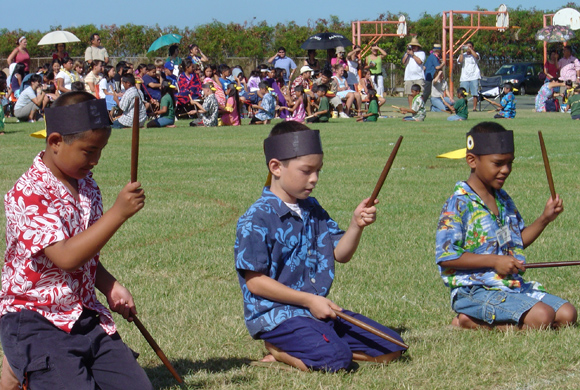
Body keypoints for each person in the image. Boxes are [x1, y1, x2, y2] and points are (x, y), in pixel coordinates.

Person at [1, 91, 153, 389]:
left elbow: (85, 255)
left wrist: (110, 285)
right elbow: (67, 257)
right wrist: (118, 213)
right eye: (88, 151)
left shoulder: (87, 187)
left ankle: (26, 368)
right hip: (35, 318)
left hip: (83, 315)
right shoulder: (28, 192)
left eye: (101, 150)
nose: (95, 160)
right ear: (55, 142)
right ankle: (19, 363)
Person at [234, 122, 407, 372]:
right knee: (337, 361)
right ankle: (279, 350)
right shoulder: (256, 219)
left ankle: (318, 345)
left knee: (392, 348)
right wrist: (308, 300)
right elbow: (255, 282)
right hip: (278, 317)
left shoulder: (312, 208)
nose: (314, 178)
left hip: (316, 311)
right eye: (306, 170)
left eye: (318, 170)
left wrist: (356, 224)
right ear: (276, 167)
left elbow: (340, 254)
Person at [435, 122, 577, 330]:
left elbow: (516, 242)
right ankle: (468, 321)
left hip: (509, 286)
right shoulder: (458, 204)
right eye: (498, 163)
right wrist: (494, 261)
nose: (506, 170)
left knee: (567, 314)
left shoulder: (503, 200)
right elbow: (447, 258)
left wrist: (545, 218)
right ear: (472, 160)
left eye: (510, 163)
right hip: (474, 291)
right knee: (543, 317)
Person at [402, 37, 426, 107]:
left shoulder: (421, 53)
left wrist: (413, 55)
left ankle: (419, 107)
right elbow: (404, 62)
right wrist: (407, 54)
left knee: (420, 94)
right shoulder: (407, 54)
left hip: (418, 77)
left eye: (414, 46)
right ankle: (411, 108)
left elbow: (419, 62)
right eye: (412, 46)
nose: (413, 48)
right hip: (409, 77)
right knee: (410, 94)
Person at [458, 41, 481, 111]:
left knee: (475, 93)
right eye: (467, 46)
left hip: (474, 76)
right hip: (464, 77)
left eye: (470, 46)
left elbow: (477, 57)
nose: (468, 48)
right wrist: (462, 51)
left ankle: (474, 108)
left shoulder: (475, 54)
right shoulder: (463, 55)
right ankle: (464, 107)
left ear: (472, 47)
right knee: (463, 94)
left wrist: (470, 50)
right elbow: (460, 61)